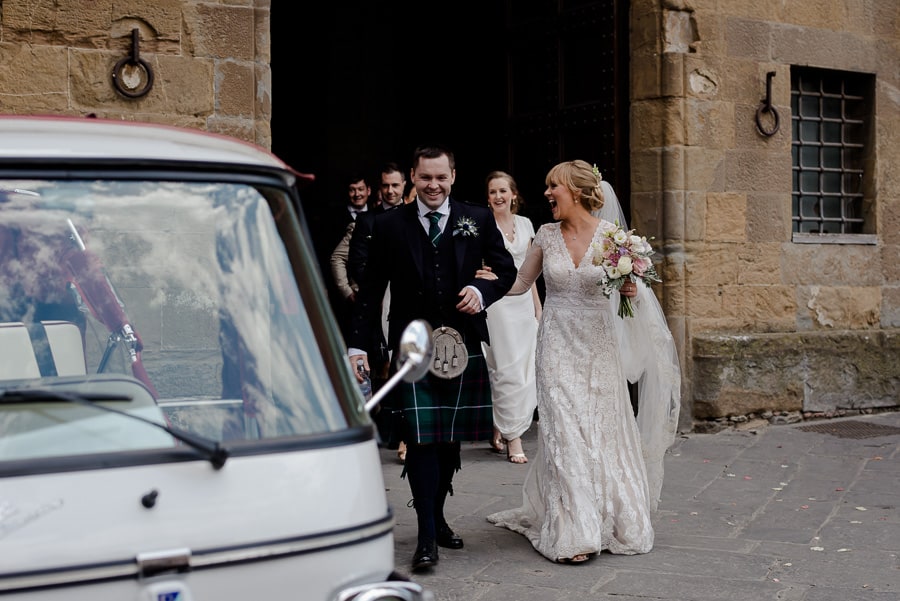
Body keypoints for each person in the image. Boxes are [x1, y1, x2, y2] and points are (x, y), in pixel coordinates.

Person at [485, 160, 681, 564]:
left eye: (552, 186)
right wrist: (489, 284)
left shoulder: (613, 239)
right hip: (555, 344)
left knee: (601, 432)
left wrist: (630, 289)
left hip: (597, 347)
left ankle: (611, 517)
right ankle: (576, 531)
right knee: (565, 434)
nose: (546, 194)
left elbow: (633, 293)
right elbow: (523, 283)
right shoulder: (545, 235)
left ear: (574, 191)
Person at [348, 144, 516, 572]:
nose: (433, 185)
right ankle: (425, 535)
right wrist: (356, 346)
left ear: (454, 176)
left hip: (461, 345)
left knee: (448, 441)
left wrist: (481, 292)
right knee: (422, 439)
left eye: (441, 177)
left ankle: (437, 517)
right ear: (412, 177)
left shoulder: (475, 218)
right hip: (412, 349)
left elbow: (506, 270)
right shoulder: (388, 225)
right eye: (425, 178)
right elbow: (369, 292)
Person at [481, 171, 540, 464]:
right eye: (493, 192)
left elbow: (530, 273)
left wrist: (537, 308)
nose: (498, 197)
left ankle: (499, 426)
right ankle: (514, 437)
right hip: (497, 306)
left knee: (527, 371)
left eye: (503, 191)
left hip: (523, 307)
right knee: (507, 370)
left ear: (513, 194)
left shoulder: (527, 225)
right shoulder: (483, 224)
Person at [326, 173, 372, 337]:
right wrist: (345, 290)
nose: (357, 194)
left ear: (369, 191)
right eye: (353, 190)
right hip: (347, 292)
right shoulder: (334, 217)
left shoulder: (377, 214)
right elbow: (333, 256)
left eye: (361, 189)